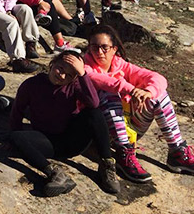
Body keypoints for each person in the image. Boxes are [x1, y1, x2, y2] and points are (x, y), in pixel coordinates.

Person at [84, 25, 194, 182]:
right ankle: (123, 153)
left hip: (129, 127)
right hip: (100, 132)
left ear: (114, 49)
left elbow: (158, 78)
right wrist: (132, 90)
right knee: (108, 93)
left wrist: (148, 93)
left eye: (104, 47)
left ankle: (177, 152)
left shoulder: (122, 65)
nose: (99, 52)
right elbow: (101, 81)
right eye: (94, 47)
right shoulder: (83, 67)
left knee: (158, 94)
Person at [9, 51, 120, 197]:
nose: (62, 76)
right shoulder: (31, 84)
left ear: (74, 78)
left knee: (94, 113)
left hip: (71, 139)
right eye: (60, 69)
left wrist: (82, 74)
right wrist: (13, 136)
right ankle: (55, 174)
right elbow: (17, 111)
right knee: (15, 137)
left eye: (68, 75)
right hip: (46, 141)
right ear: (52, 63)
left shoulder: (74, 86)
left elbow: (94, 102)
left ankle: (107, 165)